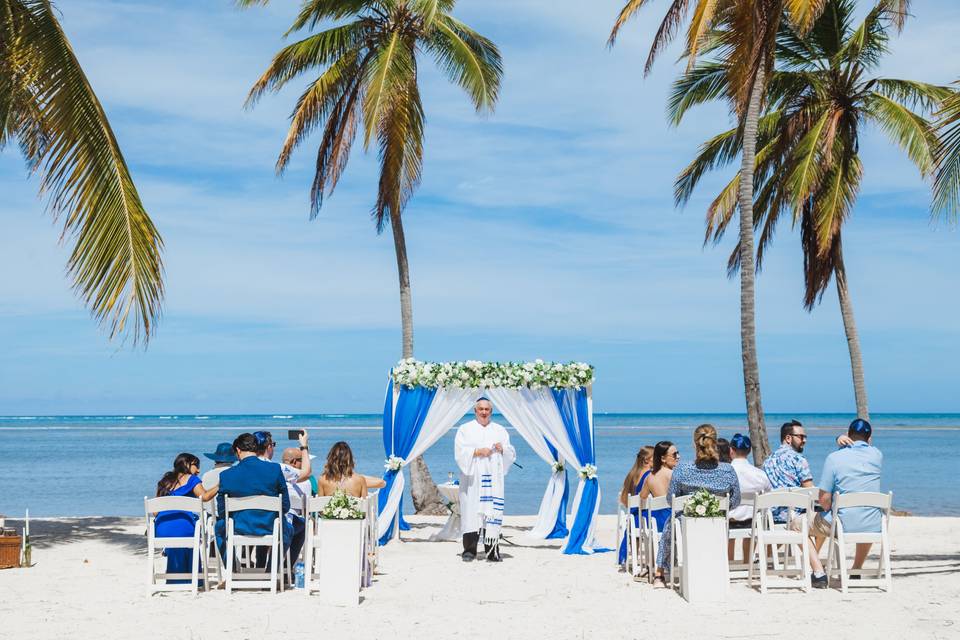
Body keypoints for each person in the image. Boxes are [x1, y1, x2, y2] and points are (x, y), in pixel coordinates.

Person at [800, 418, 883, 588]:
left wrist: (839, 439)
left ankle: (818, 573)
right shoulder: (877, 455)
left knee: (796, 525)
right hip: (874, 524)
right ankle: (856, 570)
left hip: (842, 524)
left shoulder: (834, 458)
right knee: (864, 515)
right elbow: (865, 448)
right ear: (869, 438)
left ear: (848, 435)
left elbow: (824, 499)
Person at [654, 424, 740, 588]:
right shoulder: (728, 470)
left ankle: (660, 575)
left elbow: (672, 500)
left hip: (687, 526)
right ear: (714, 443)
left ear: (695, 444)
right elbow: (735, 501)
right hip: (717, 526)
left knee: (669, 524)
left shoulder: (682, 469)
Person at [214, 433, 292, 566]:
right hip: (269, 526)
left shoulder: (226, 475)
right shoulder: (274, 469)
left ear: (238, 450)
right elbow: (285, 506)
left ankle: (232, 570)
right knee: (288, 529)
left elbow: (222, 512)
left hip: (238, 527)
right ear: (256, 449)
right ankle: (271, 569)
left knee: (218, 527)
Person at [454, 397, 516, 562]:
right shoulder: (464, 429)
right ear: (475, 411)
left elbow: (510, 452)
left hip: (493, 480)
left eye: (486, 409)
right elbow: (459, 452)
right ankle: (469, 550)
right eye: (480, 409)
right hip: (473, 479)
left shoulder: (500, 430)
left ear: (491, 411)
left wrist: (503, 449)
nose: (483, 412)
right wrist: (476, 451)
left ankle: (492, 551)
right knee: (471, 513)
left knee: (492, 514)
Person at [154, 453, 217, 583]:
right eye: (196, 466)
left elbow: (155, 512)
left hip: (161, 531)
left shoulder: (165, 481)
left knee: (180, 527)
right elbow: (204, 497)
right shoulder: (192, 480)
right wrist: (220, 485)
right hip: (185, 529)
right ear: (187, 464)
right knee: (188, 527)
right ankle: (192, 579)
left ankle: (175, 579)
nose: (198, 470)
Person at [727, 433, 771, 561]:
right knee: (752, 514)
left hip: (729, 522)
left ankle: (729, 562)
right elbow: (768, 496)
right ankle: (747, 562)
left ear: (731, 450)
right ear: (749, 451)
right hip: (753, 523)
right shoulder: (759, 474)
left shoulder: (725, 473)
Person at [762, 419, 814, 524]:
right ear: (788, 438)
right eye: (801, 437)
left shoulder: (767, 461)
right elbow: (810, 491)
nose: (804, 440)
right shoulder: (798, 459)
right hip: (795, 516)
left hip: (771, 517)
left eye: (805, 437)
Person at [618, 446, 654, 568]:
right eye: (655, 458)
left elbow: (624, 497)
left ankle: (633, 556)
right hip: (643, 517)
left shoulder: (632, 474)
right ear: (647, 460)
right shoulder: (649, 475)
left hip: (633, 515)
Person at [638, 441, 678, 534]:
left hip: (657, 523)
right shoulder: (675, 475)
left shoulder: (649, 477)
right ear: (663, 458)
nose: (678, 457)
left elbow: (642, 497)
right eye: (675, 455)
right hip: (673, 522)